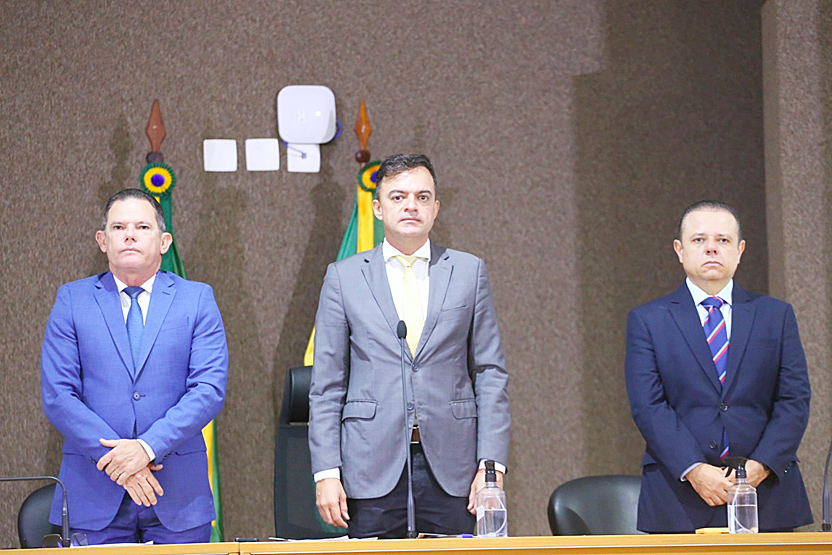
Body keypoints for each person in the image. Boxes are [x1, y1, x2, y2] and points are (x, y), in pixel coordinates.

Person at [308, 153, 510, 538]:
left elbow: (490, 373)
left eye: (421, 197)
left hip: (455, 467)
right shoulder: (343, 278)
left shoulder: (468, 272)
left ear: (436, 208)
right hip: (370, 464)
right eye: (398, 197)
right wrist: (326, 472)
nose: (410, 206)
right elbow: (327, 384)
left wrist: (490, 470)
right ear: (378, 207)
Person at [41, 188, 228, 544]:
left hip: (178, 494)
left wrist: (145, 448)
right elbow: (58, 395)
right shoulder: (72, 300)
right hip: (94, 490)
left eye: (142, 227)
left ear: (164, 241)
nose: (129, 234)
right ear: (102, 240)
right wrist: (118, 462)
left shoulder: (197, 299)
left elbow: (208, 390)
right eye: (118, 227)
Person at [625, 200, 812, 532]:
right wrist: (695, 470)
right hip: (679, 494)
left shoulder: (775, 316)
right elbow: (648, 406)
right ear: (679, 250)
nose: (711, 248)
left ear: (740, 250)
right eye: (699, 240)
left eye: (723, 240)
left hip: (765, 494)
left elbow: (794, 400)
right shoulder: (648, 320)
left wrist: (759, 468)